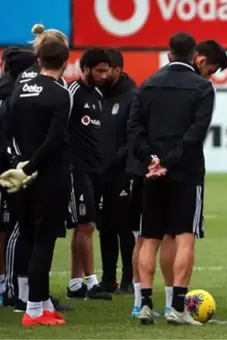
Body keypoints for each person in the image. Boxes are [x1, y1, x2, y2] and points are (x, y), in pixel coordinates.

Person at [129, 32, 215, 326]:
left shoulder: (148, 83)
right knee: (184, 239)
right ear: (194, 56)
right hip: (186, 173)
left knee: (149, 239)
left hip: (152, 173)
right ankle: (177, 306)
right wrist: (169, 161)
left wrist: (151, 159)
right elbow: (196, 134)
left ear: (168, 54)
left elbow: (135, 129)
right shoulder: (202, 87)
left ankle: (144, 304)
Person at [0, 40, 72, 326]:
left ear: (39, 60)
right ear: (65, 62)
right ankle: (33, 310)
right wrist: (30, 167)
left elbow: (6, 130)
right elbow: (54, 140)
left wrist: (16, 162)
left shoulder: (19, 90)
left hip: (21, 176)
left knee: (29, 234)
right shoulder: (60, 93)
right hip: (49, 176)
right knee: (44, 240)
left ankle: (40, 303)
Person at [65, 47, 113, 301]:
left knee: (82, 227)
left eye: (106, 71)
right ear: (84, 69)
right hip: (76, 169)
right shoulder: (71, 93)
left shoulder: (97, 95)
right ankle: (92, 282)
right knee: (86, 225)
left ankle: (75, 283)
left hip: (95, 170)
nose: (104, 75)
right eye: (99, 71)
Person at [97, 48, 137, 294]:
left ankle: (129, 279)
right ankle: (108, 278)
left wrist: (111, 162)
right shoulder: (96, 96)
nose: (101, 75)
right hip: (99, 175)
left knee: (125, 228)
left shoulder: (133, 96)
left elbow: (132, 139)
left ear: (117, 70)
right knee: (105, 227)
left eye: (106, 69)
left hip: (123, 173)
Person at [0, 47, 36, 307]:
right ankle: (11, 288)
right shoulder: (12, 97)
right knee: (13, 228)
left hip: (13, 167)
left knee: (13, 228)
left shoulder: (16, 95)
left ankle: (13, 286)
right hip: (10, 170)